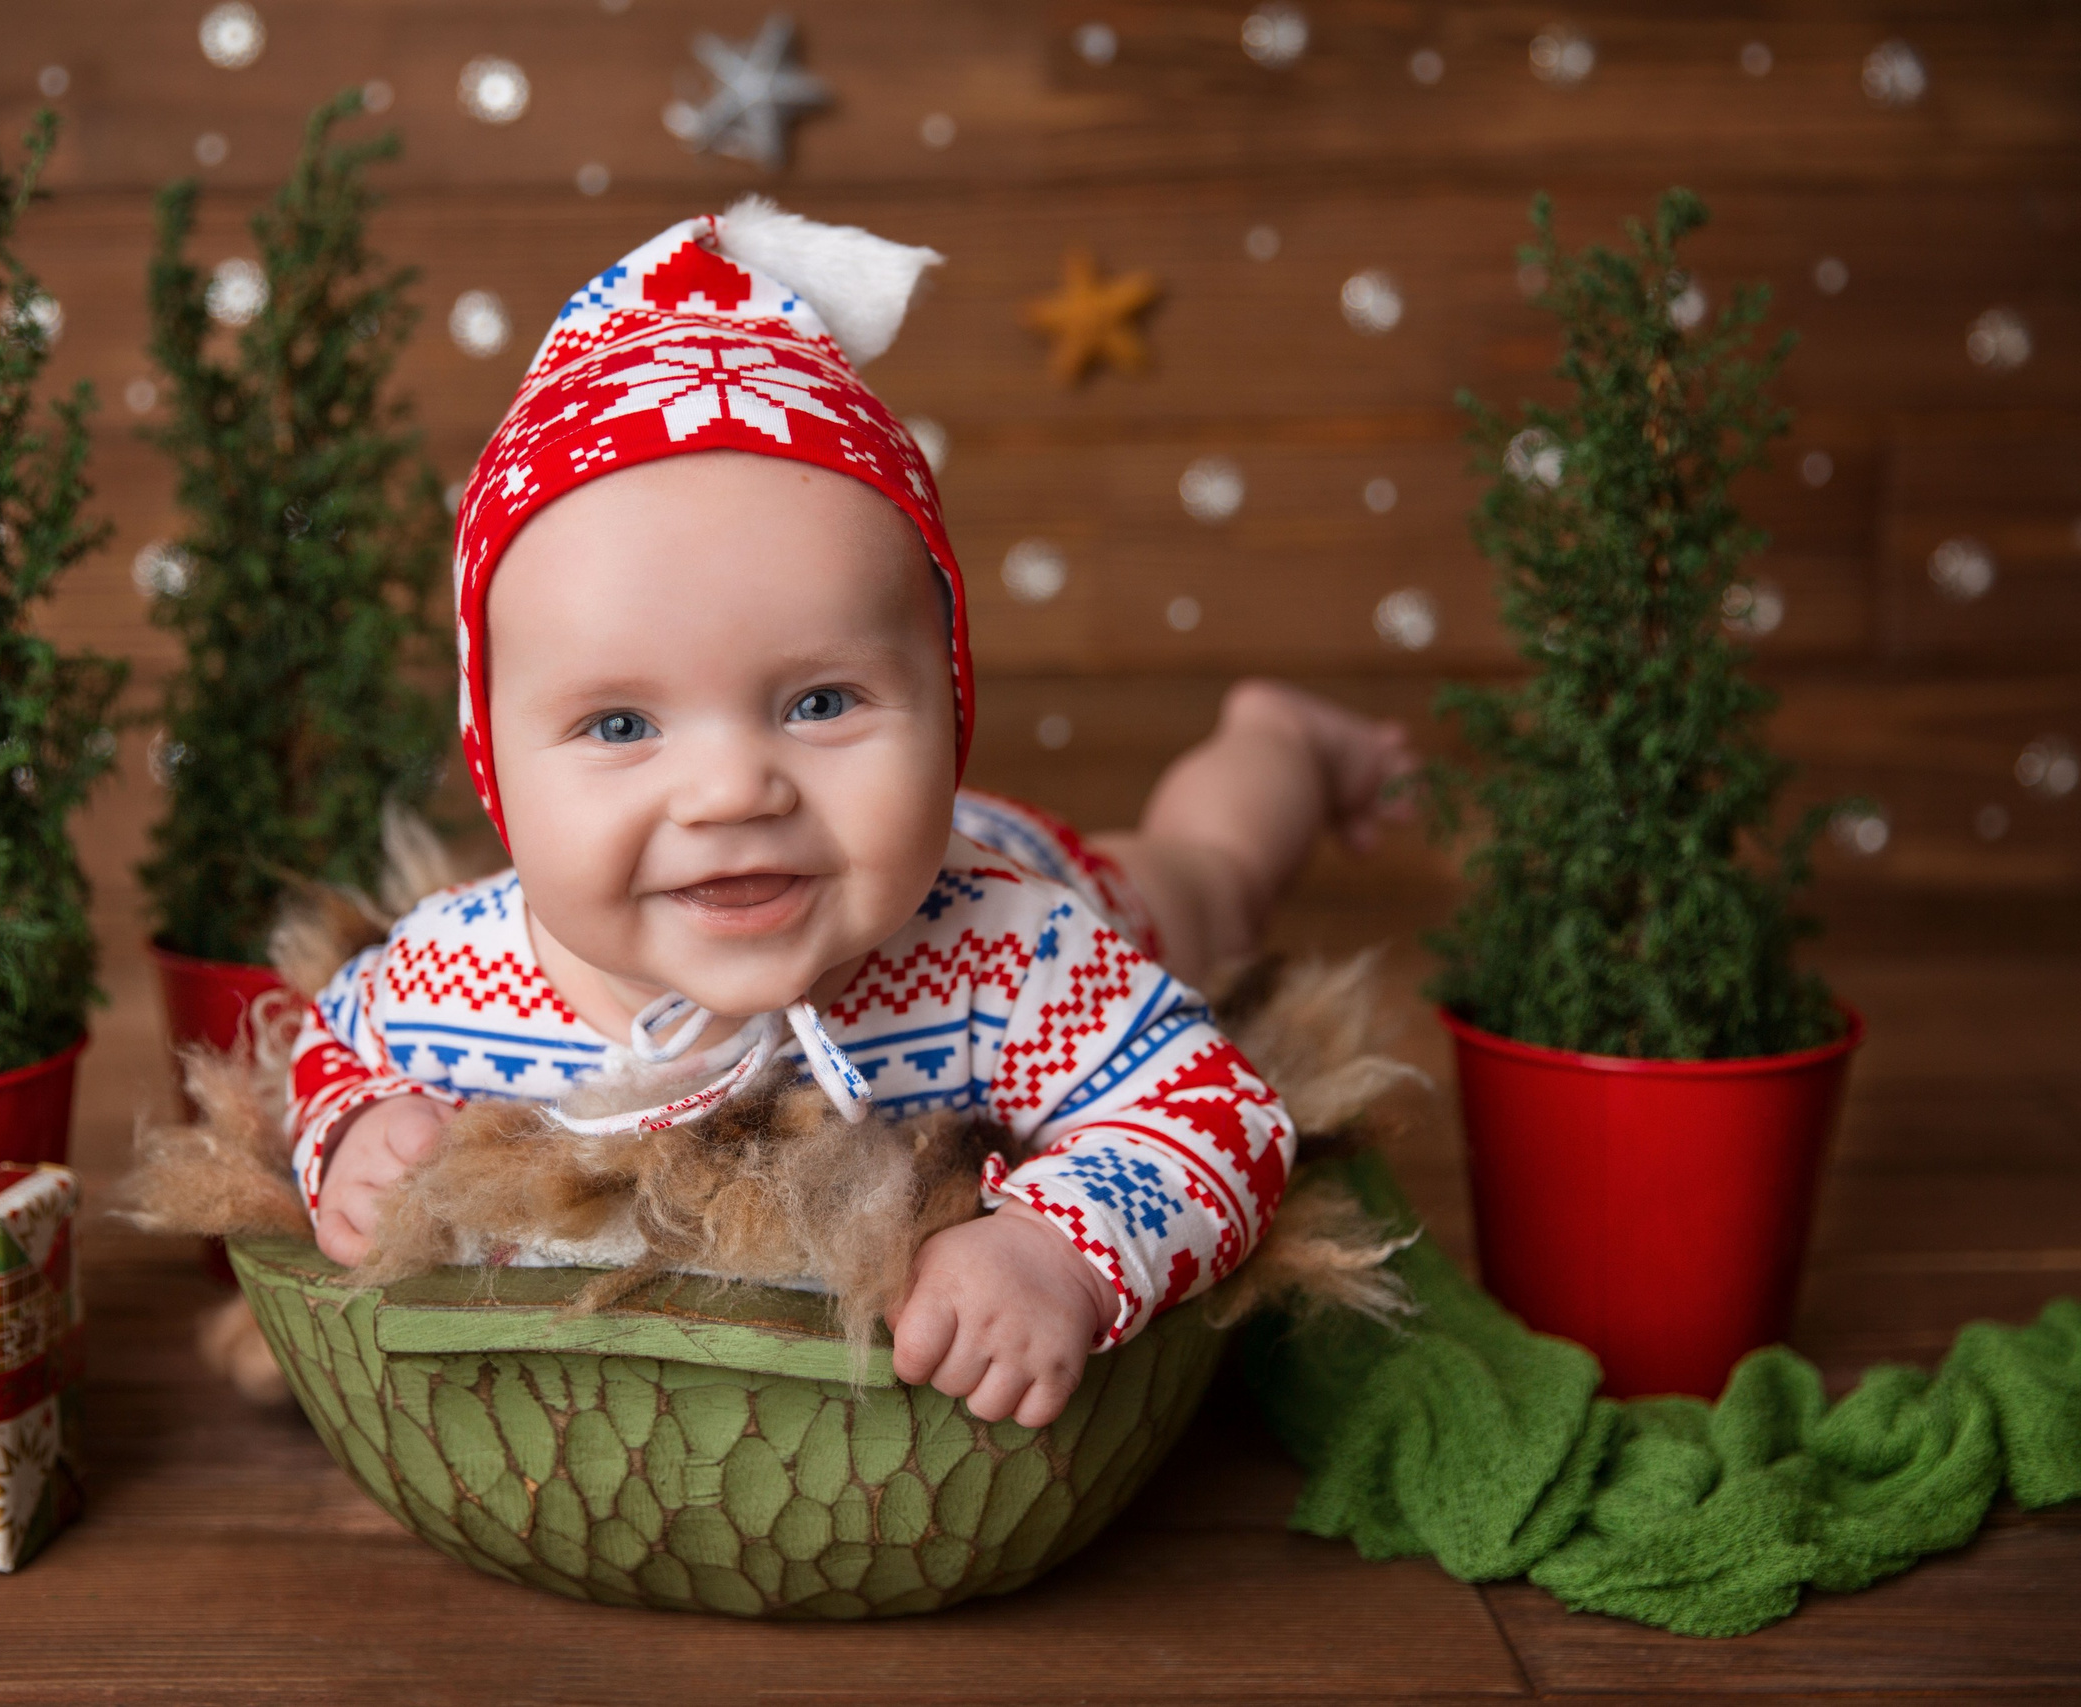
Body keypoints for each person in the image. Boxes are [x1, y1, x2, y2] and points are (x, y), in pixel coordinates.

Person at [288, 200, 1413, 1429]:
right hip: (852, 860)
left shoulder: (1009, 955)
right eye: (620, 727)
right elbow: (329, 1035)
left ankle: (1283, 742)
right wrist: (352, 1122)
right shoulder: (460, 977)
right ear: (493, 764)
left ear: (948, 700)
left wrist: (1061, 1253)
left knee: (1209, 872)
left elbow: (1216, 1111)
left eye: (822, 701)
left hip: (1012, 869)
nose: (731, 794)